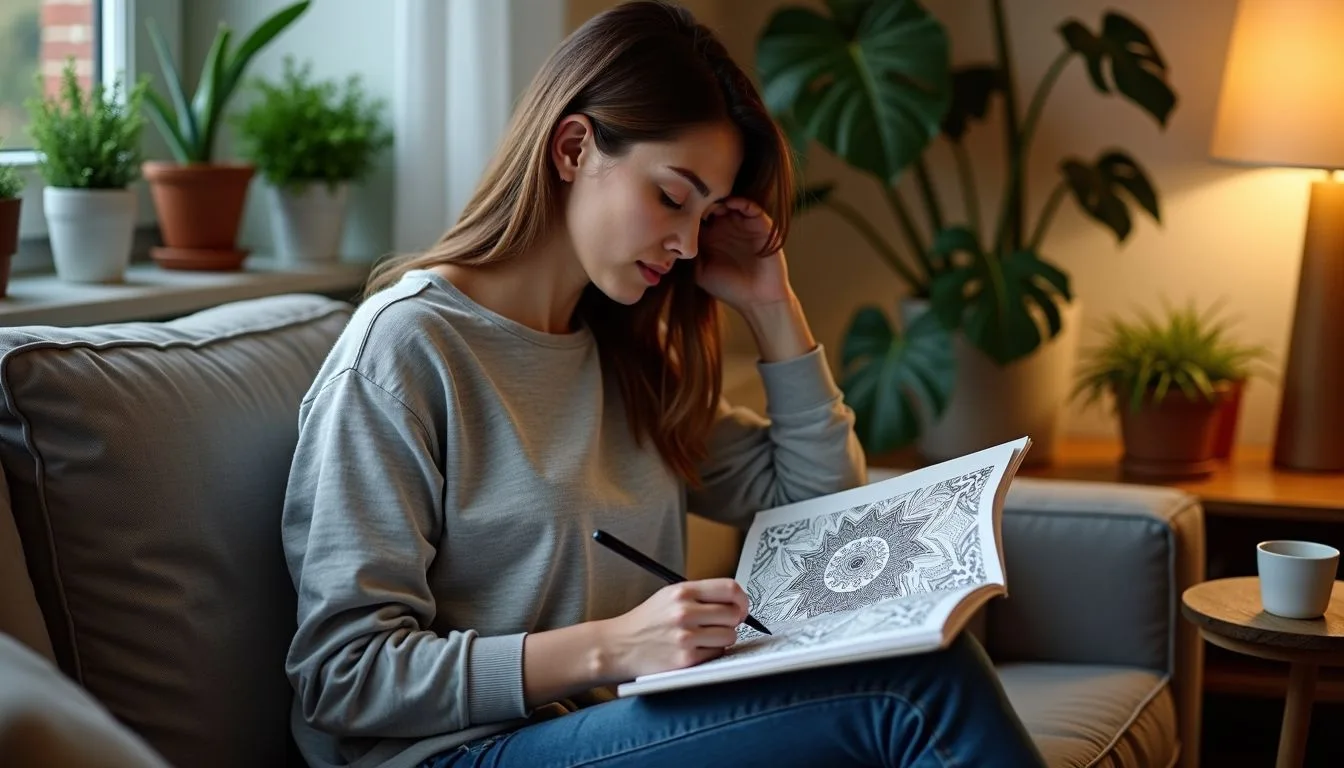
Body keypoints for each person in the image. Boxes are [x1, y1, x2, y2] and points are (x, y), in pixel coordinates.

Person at [280, 2, 1047, 766]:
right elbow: (342, 677)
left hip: (612, 730)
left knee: (919, 662)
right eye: (673, 197)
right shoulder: (406, 349)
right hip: (458, 754)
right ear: (573, 148)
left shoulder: (620, 353)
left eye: (705, 216)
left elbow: (821, 511)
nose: (686, 243)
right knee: (912, 688)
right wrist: (613, 646)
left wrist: (772, 306)